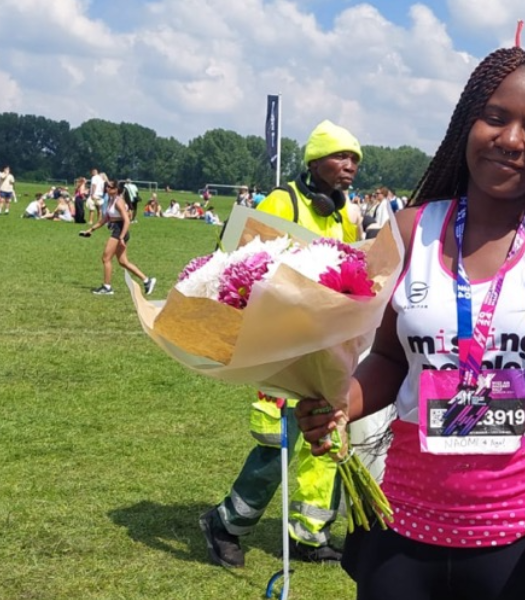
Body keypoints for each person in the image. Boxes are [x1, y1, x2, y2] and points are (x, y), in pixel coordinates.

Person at [294, 46, 525, 600]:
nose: (512, 140)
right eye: (495, 117)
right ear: (466, 121)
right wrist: (338, 406)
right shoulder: (405, 232)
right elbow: (392, 359)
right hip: (404, 522)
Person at [200, 120, 366, 568]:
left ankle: (310, 533)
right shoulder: (283, 200)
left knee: (328, 441)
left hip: (326, 347)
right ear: (315, 161)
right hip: (280, 346)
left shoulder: (345, 213)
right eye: (341, 157)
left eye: (355, 159)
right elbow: (238, 256)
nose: (349, 166)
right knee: (278, 445)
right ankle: (226, 524)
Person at [79, 181, 155, 297]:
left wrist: (121, 237)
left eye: (110, 187)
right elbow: (105, 219)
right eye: (107, 186)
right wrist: (91, 229)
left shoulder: (118, 201)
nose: (107, 188)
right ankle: (147, 280)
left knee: (106, 258)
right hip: (118, 230)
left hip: (119, 231)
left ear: (116, 189)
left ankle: (107, 287)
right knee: (123, 262)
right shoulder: (111, 200)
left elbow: (127, 221)